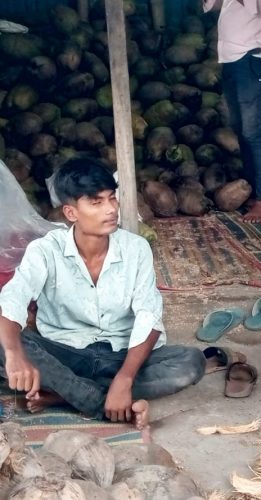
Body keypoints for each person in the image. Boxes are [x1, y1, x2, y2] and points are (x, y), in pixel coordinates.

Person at [0, 158, 205, 437]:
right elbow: (13, 298)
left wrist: (125, 377)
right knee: (5, 345)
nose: (110, 209)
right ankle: (100, 403)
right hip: (66, 352)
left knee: (190, 362)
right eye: (96, 202)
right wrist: (14, 353)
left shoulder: (136, 249)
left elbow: (149, 315)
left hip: (121, 355)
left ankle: (65, 394)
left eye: (112, 199)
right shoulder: (45, 250)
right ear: (71, 212)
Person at [204, 0, 261, 222]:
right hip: (233, 59)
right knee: (241, 128)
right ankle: (253, 189)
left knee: (254, 131)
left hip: (254, 57)